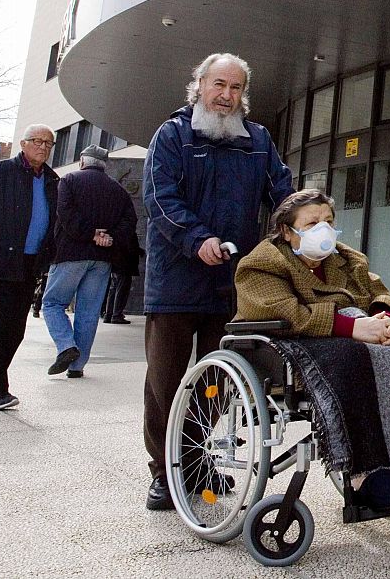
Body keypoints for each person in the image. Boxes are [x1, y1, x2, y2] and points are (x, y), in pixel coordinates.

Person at [235, 189, 390, 515]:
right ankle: (365, 474)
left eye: (328, 221)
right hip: (301, 342)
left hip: (361, 333)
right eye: (312, 223)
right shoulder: (262, 263)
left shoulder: (347, 259)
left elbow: (383, 294)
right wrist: (353, 328)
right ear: (286, 230)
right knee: (352, 357)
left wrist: (387, 320)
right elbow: (283, 311)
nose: (323, 229)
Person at [141, 53, 294, 511]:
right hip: (175, 281)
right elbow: (159, 198)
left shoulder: (258, 140)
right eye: (219, 85)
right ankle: (164, 472)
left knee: (218, 383)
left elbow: (282, 194)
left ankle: (199, 462)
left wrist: (304, 223)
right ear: (200, 85)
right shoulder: (172, 135)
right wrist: (197, 238)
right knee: (166, 383)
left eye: (235, 89)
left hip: (231, 283)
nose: (226, 96)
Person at [0, 124, 60, 411]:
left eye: (48, 143)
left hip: (28, 265)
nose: (42, 147)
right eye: (37, 141)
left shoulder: (52, 180)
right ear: (23, 143)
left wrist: (47, 255)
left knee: (13, 331)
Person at [42, 145, 136, 379]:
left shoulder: (69, 180)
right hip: (102, 258)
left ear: (83, 161)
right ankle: (77, 367)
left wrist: (90, 234)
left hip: (70, 254)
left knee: (53, 304)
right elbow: (129, 222)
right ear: (105, 165)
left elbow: (65, 214)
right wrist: (109, 237)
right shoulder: (118, 190)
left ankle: (66, 346)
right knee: (88, 312)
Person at [102, 217, 141, 325]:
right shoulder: (127, 231)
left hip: (115, 263)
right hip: (125, 264)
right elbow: (130, 247)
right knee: (121, 289)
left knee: (113, 288)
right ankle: (116, 314)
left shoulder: (115, 230)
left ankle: (109, 314)